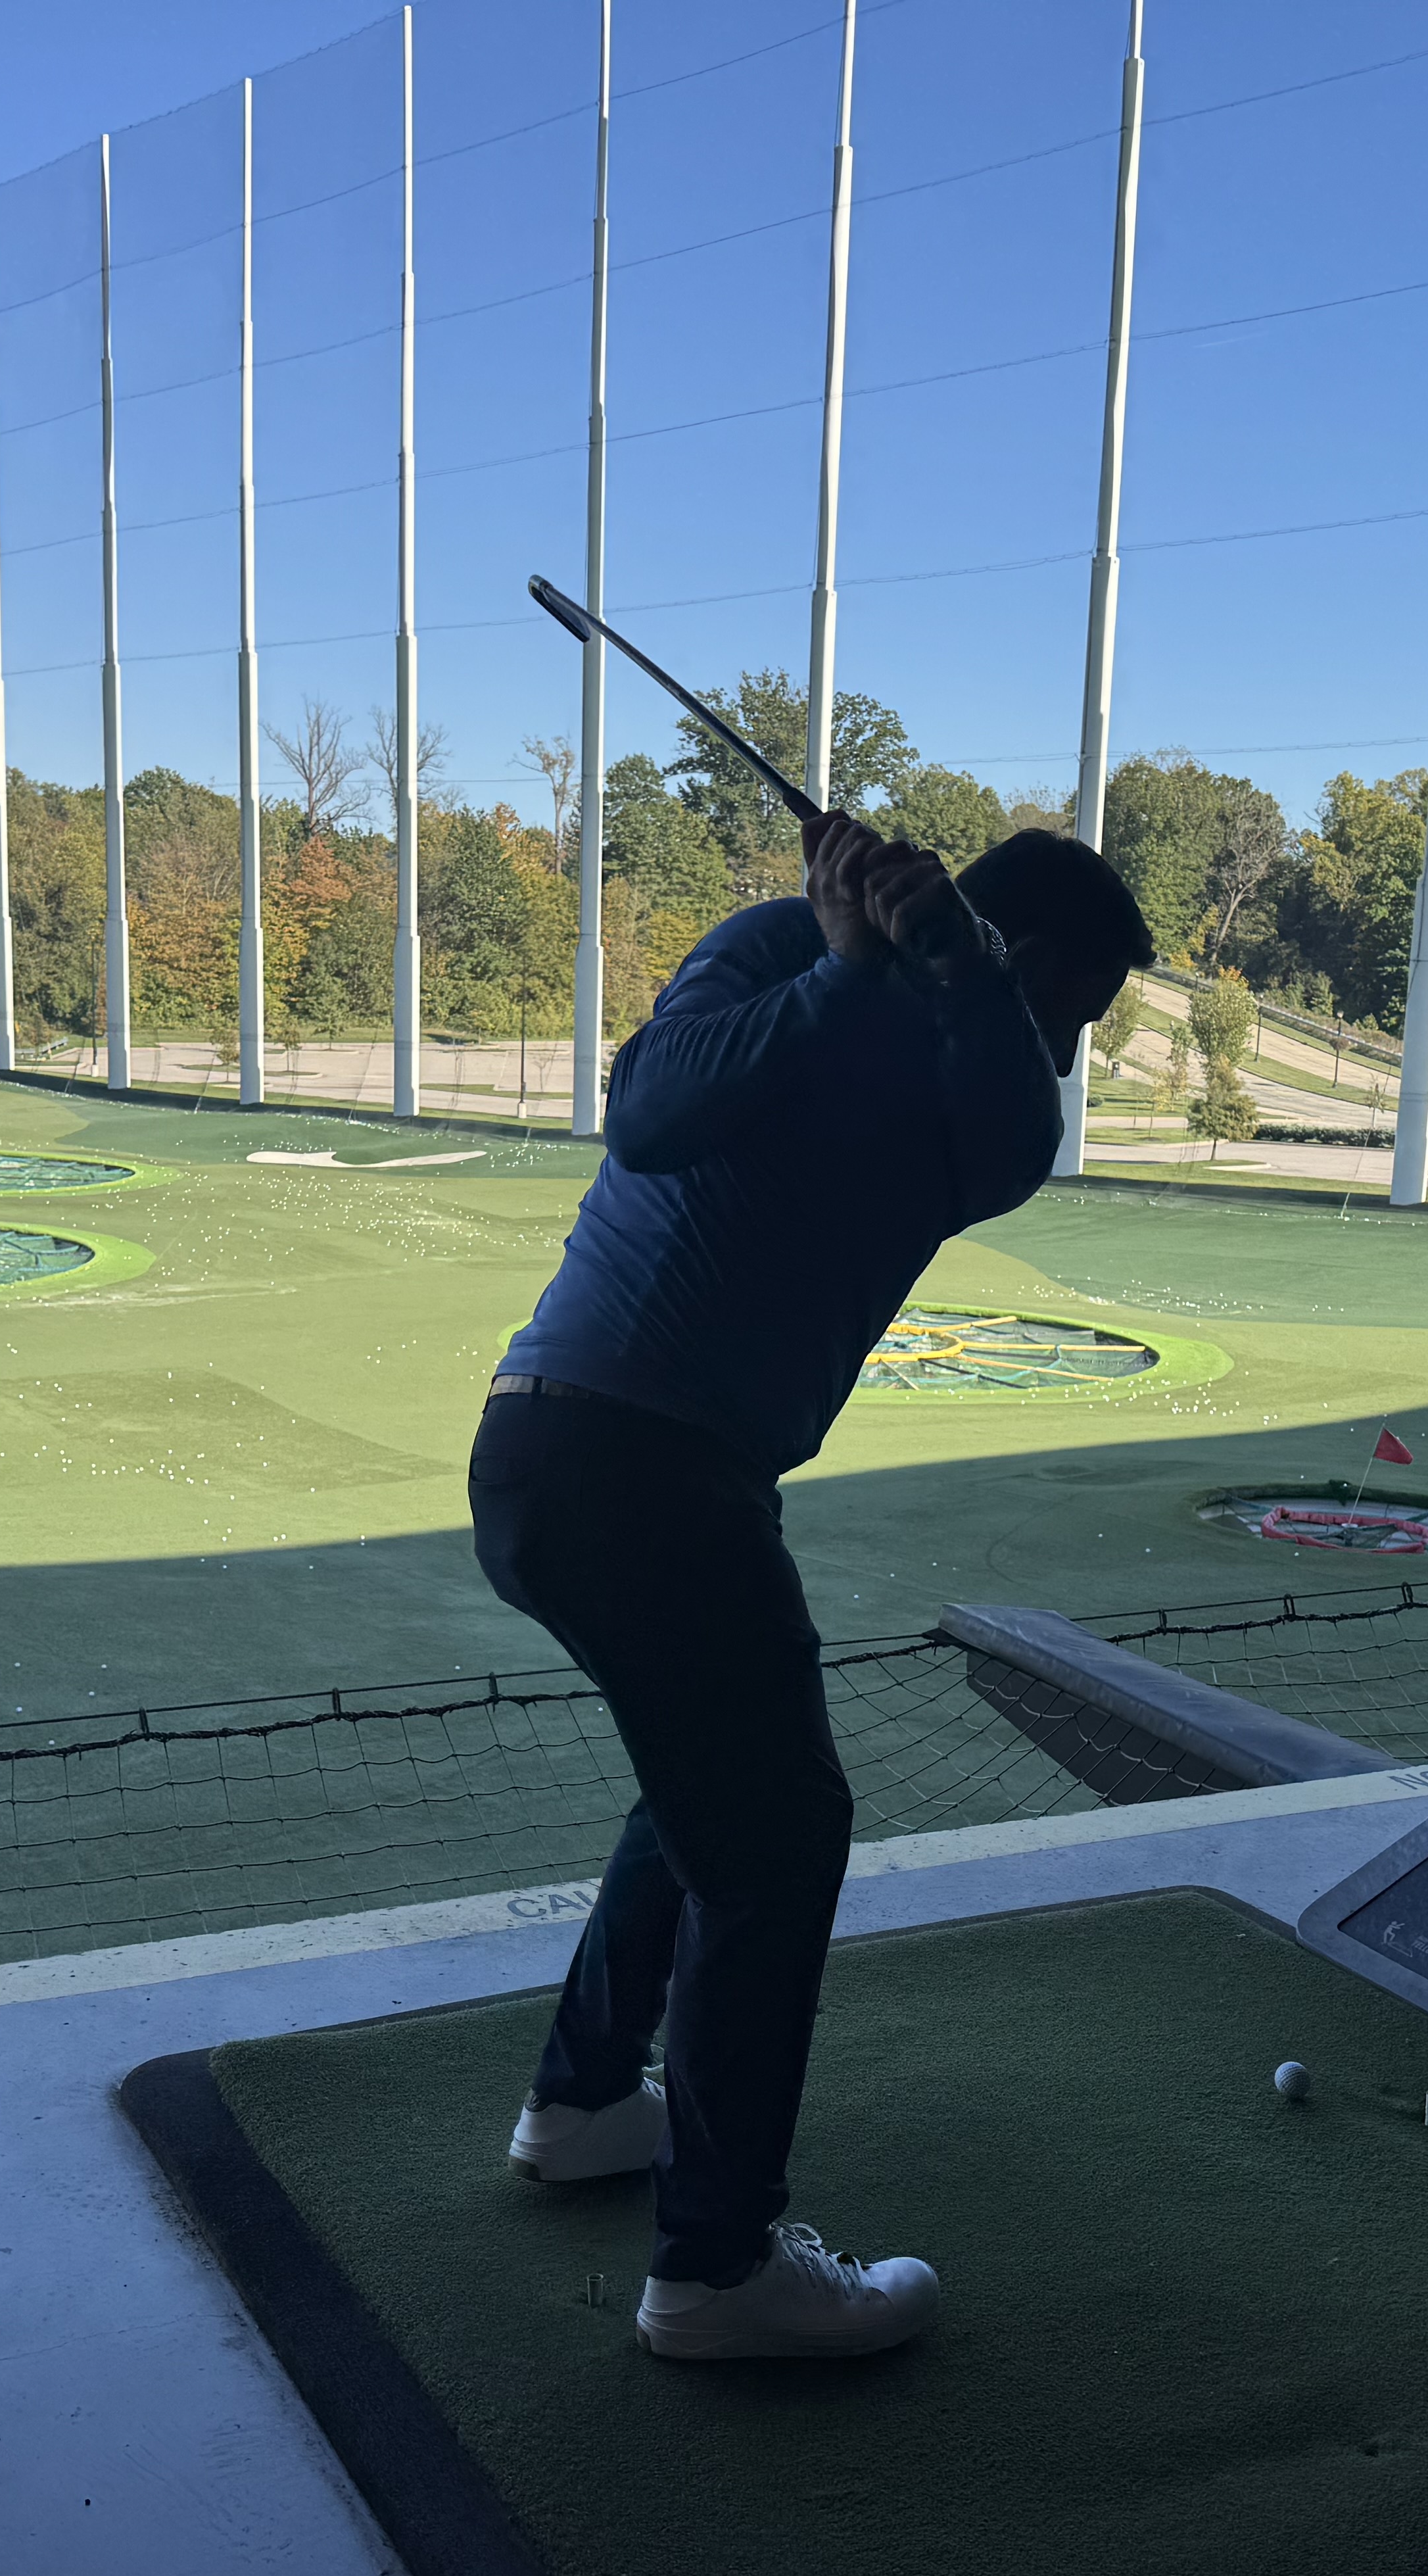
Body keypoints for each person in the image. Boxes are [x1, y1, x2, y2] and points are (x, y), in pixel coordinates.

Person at [471, 810, 1152, 2360]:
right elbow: (647, 1114)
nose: (1068, 1047)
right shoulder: (779, 948)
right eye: (1077, 1010)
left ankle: (583, 2107)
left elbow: (1007, 1144)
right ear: (1044, 961)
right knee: (780, 1839)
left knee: (714, 1797)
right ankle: (713, 2270)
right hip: (613, 1461)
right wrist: (849, 964)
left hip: (626, 1476)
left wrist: (938, 973)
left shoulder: (991, 1075)